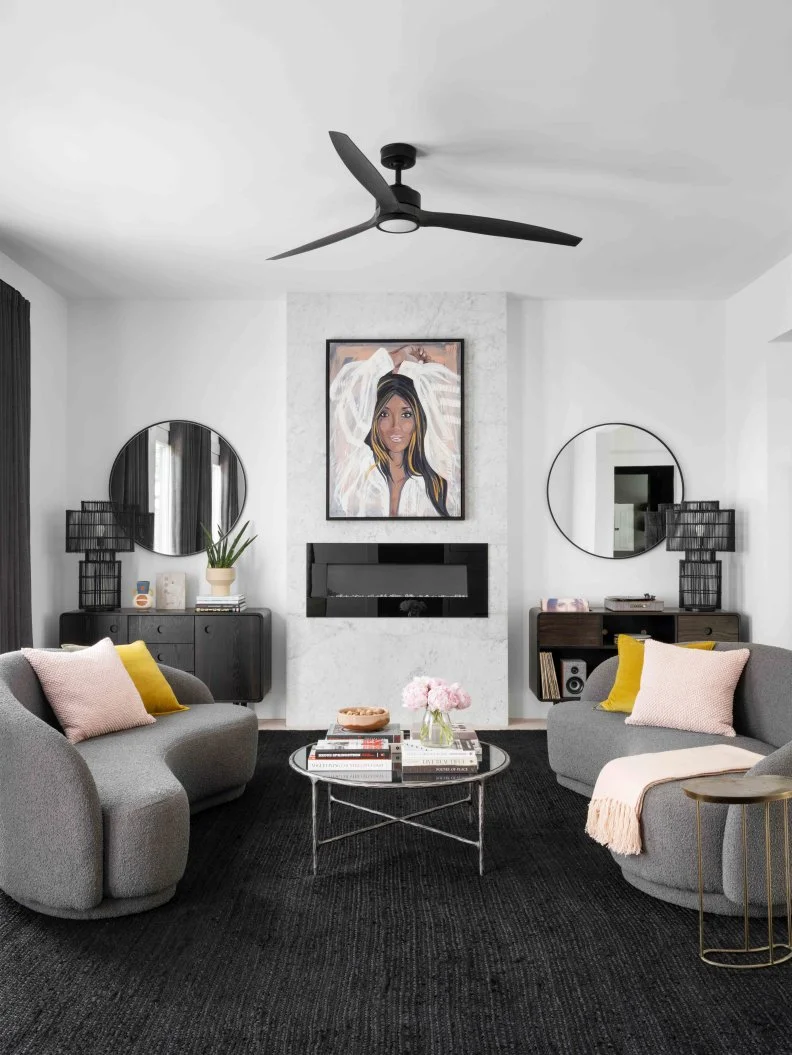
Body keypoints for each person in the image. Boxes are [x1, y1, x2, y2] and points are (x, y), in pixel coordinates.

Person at [329, 343, 461, 518]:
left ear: (418, 420)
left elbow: (449, 406)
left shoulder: (437, 480)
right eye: (384, 414)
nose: (395, 426)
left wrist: (421, 372)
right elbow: (342, 394)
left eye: (406, 414)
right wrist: (399, 356)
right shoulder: (358, 472)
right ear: (372, 419)